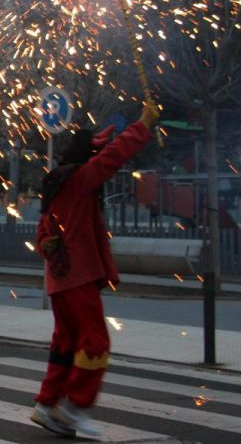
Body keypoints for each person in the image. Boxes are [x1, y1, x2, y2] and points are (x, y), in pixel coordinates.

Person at [29, 102, 159, 439]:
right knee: (95, 341)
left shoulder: (57, 184)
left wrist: (48, 246)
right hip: (78, 275)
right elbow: (113, 156)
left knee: (66, 343)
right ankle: (75, 408)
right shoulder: (80, 179)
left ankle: (47, 405)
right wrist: (142, 125)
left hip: (59, 278)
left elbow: (43, 233)